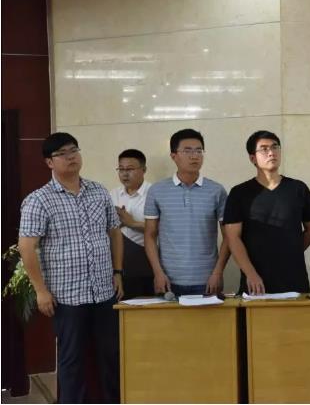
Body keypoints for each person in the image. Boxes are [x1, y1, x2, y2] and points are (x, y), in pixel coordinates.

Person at [17, 132, 123, 403]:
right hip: (67, 296)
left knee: (111, 355)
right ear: (49, 162)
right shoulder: (39, 200)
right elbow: (27, 247)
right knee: (72, 359)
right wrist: (41, 291)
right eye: (62, 153)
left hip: (104, 291)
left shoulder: (98, 191)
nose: (71, 157)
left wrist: (118, 272)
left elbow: (114, 232)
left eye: (74, 150)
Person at [224, 130, 310, 295]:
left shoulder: (298, 189)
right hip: (255, 283)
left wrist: (292, 251)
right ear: (252, 158)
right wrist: (250, 273)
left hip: (294, 280)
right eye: (264, 149)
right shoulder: (239, 193)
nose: (271, 152)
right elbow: (233, 237)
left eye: (275, 147)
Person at [144, 129, 229, 297]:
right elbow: (150, 235)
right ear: (174, 156)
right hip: (168, 281)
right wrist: (158, 273)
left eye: (199, 151)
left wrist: (218, 272)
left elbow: (229, 236)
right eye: (187, 151)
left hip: (208, 280)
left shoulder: (217, 191)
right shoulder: (157, 190)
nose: (194, 156)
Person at [109, 149, 153, 299]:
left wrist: (131, 223)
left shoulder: (154, 193)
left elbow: (164, 228)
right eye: (121, 169)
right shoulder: (113, 194)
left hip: (145, 262)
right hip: (118, 263)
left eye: (130, 169)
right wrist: (116, 224)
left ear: (144, 170)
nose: (125, 174)